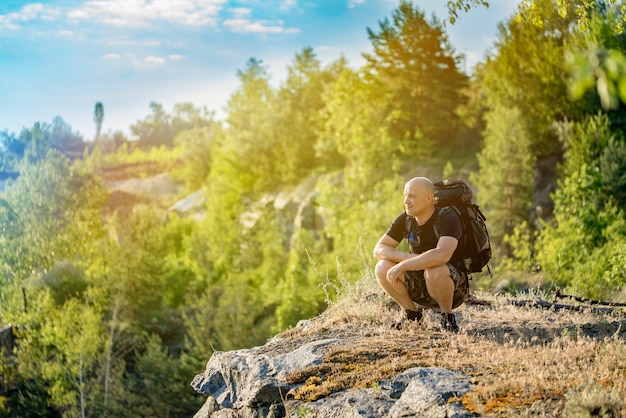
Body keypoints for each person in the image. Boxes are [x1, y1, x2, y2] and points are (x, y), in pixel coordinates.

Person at [373, 177, 469, 332]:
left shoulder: (448, 218)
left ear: (429, 198)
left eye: (412, 196)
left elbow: (442, 255)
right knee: (382, 267)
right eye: (405, 195)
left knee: (434, 268)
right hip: (420, 282)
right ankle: (412, 316)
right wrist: (406, 258)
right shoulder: (405, 220)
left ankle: (447, 318)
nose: (406, 201)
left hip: (453, 288)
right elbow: (379, 249)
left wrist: (404, 265)